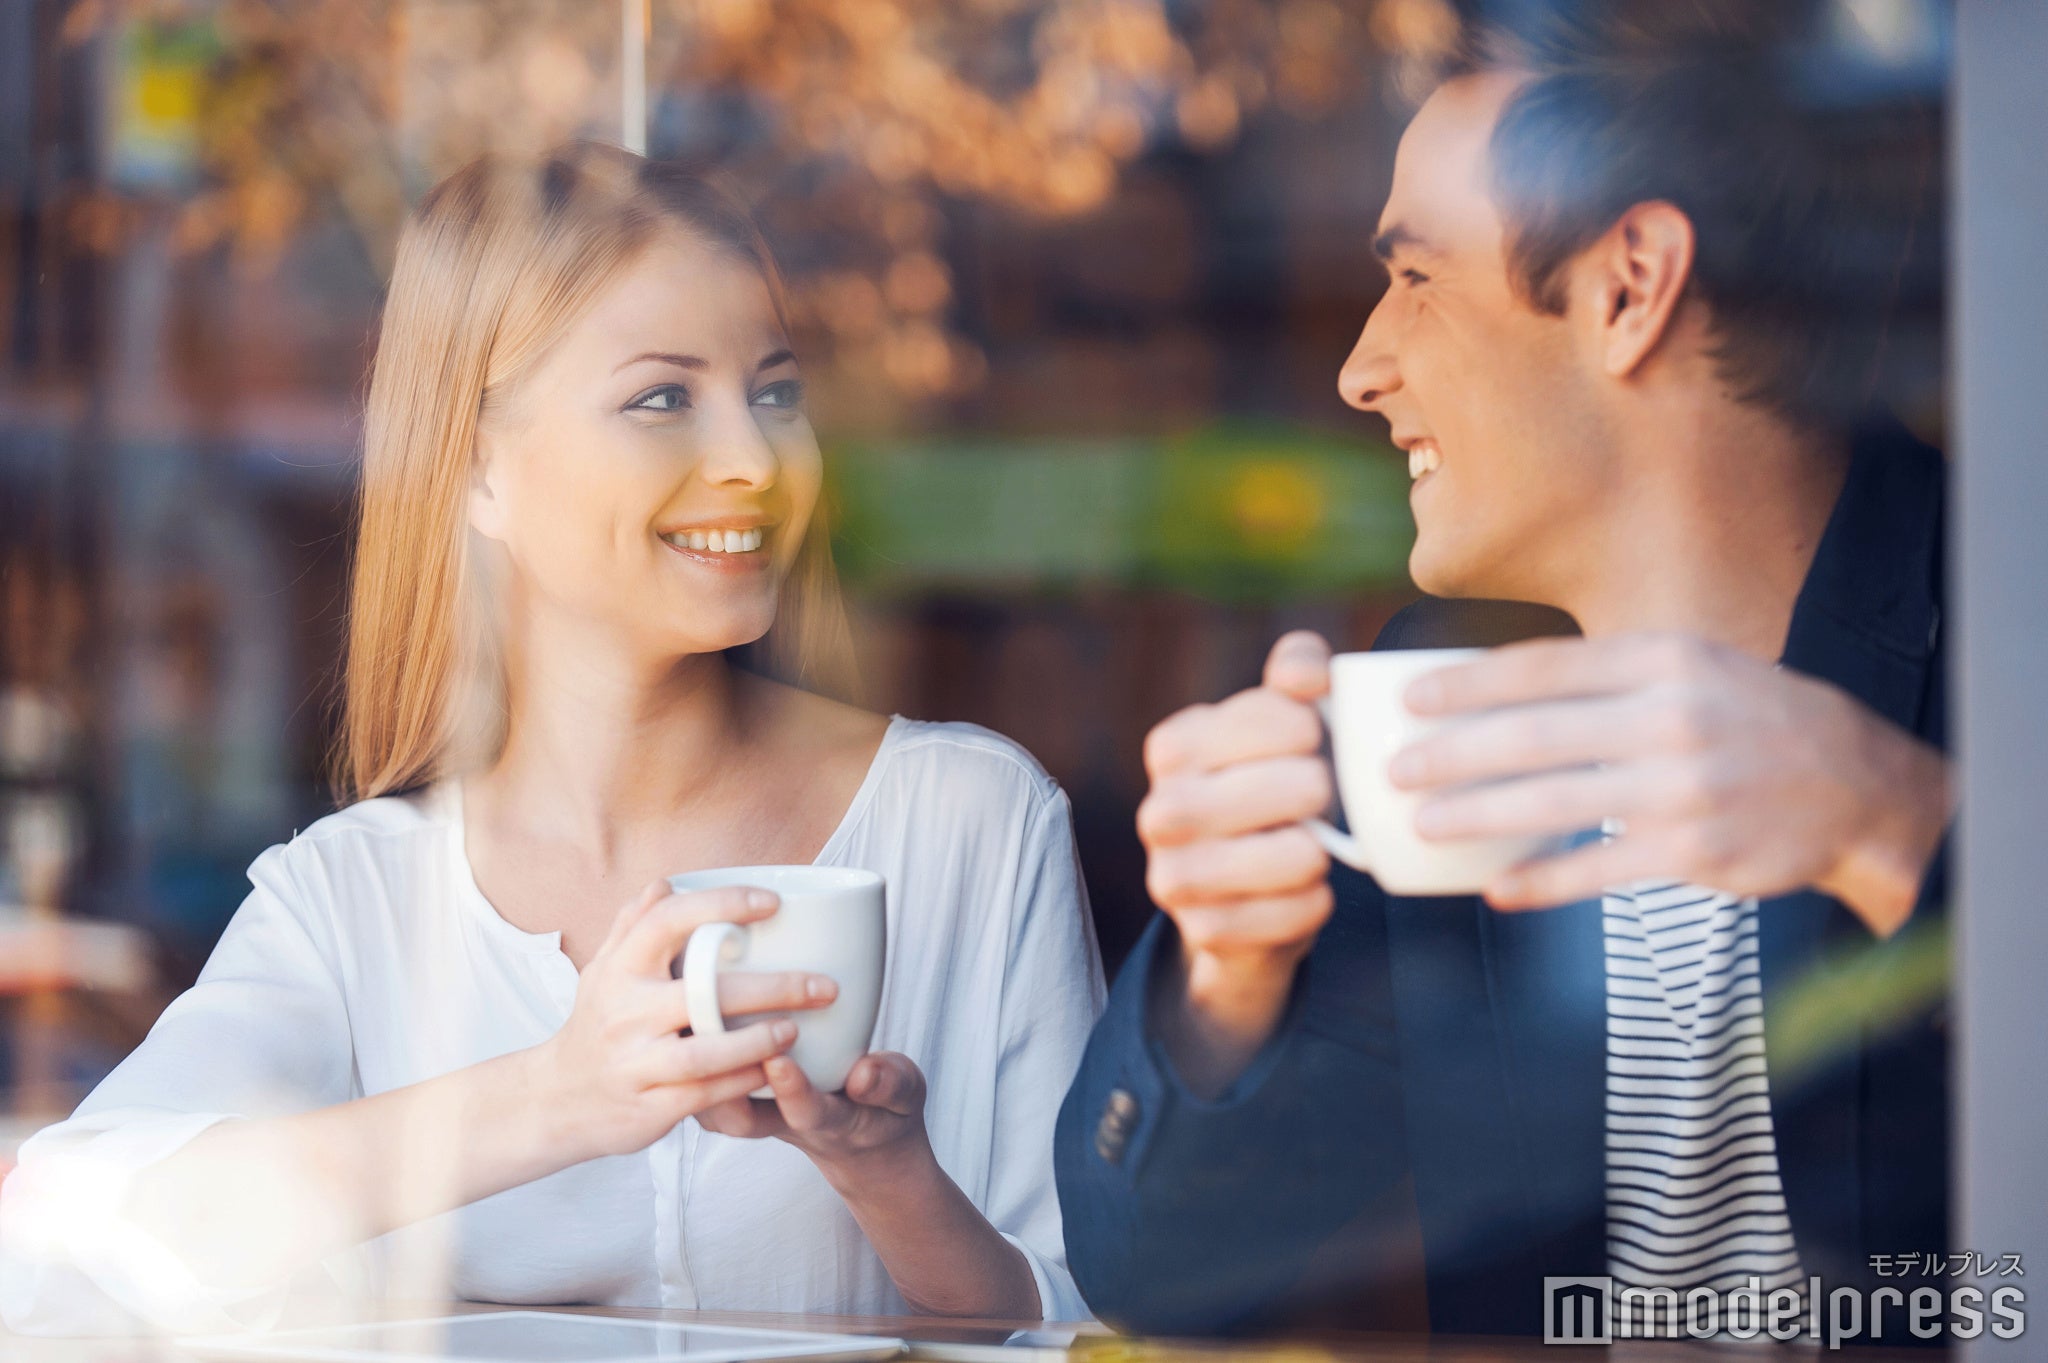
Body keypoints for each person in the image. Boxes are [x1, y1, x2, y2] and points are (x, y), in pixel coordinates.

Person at [1, 143, 1102, 1336]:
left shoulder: (971, 821)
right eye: (661, 399)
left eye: (774, 393)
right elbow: (67, 1224)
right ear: (477, 472)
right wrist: (558, 1096)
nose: (754, 462)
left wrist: (891, 1180)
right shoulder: (354, 897)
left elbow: (1083, 1323)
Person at [1057, 8, 1951, 1341]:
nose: (1361, 366)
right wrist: (1228, 977)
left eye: (1414, 275)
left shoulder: (2005, 634)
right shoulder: (1435, 699)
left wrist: (1906, 829)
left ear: (1630, 283)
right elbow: (1161, 1277)